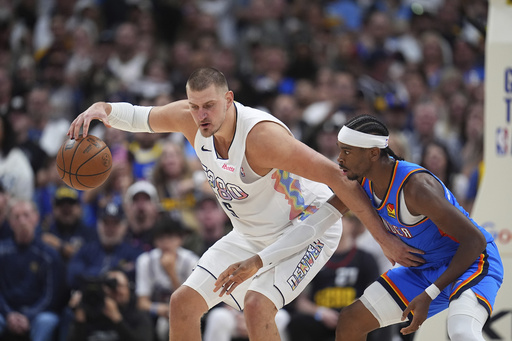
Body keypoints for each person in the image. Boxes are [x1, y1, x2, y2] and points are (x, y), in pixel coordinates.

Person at [68, 67, 422, 341]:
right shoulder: (192, 120)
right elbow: (141, 118)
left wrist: (384, 238)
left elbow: (338, 177)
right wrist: (103, 109)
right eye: (194, 107)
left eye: (209, 105)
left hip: (306, 228)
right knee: (183, 303)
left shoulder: (262, 139)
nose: (201, 115)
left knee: (257, 305)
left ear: (229, 99)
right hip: (250, 233)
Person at [334, 114, 504, 340]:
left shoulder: (416, 188)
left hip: (472, 261)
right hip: (425, 267)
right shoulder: (361, 179)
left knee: (462, 332)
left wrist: (430, 294)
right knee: (351, 321)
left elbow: (475, 241)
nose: (339, 158)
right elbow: (326, 212)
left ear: (373, 153)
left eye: (347, 151)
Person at [287, 213, 387, 341]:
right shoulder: (312, 259)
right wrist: (319, 312)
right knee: (296, 322)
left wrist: (354, 309)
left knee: (380, 322)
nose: (332, 224)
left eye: (339, 219)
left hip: (354, 316)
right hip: (322, 317)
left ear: (351, 224)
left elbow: (376, 294)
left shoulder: (366, 259)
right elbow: (300, 301)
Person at [0, 199, 66, 341]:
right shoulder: (2, 252)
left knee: (47, 321)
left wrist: (28, 316)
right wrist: (8, 314)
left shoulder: (49, 255)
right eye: (17, 217)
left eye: (26, 215)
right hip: (6, 311)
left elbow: (51, 297)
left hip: (38, 313)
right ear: (10, 222)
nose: (22, 221)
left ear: (36, 218)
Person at [135, 216, 199, 341]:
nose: (166, 243)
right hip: (157, 313)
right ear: (155, 241)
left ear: (180, 240)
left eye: (170, 238)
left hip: (186, 312)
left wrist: (171, 273)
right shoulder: (145, 261)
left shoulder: (191, 261)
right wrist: (159, 309)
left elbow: (190, 303)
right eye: (161, 238)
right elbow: (142, 303)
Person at [67, 269, 154, 341]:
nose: (117, 291)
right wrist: (80, 321)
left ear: (129, 288)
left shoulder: (138, 313)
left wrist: (117, 319)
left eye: (121, 286)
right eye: (111, 286)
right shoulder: (90, 309)